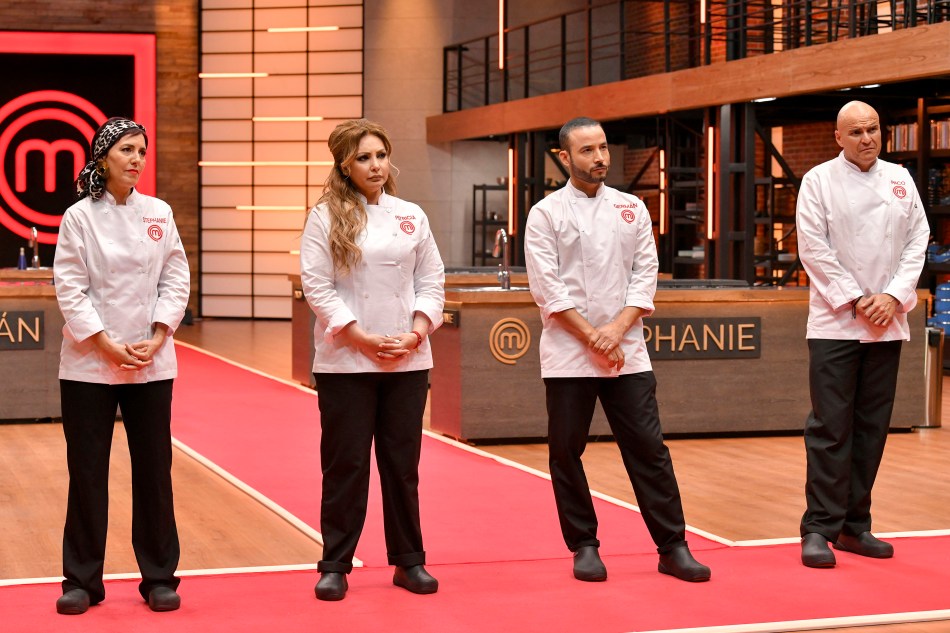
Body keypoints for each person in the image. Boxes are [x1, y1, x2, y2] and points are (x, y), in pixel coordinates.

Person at [524, 117, 710, 583]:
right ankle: (584, 545)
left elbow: (645, 275)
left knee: (648, 448)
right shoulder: (545, 213)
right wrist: (594, 337)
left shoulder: (632, 207)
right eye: (587, 150)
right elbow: (548, 289)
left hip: (627, 350)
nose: (600, 157)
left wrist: (617, 330)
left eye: (603, 148)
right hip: (569, 352)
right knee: (566, 451)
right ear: (564, 157)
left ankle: (673, 546)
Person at [300, 119, 445, 601]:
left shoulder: (411, 215)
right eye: (363, 158)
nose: (375, 165)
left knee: (402, 467)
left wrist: (417, 332)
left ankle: (409, 562)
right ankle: (335, 565)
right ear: (345, 165)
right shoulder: (324, 217)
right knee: (346, 466)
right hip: (346, 362)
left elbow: (431, 280)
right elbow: (317, 286)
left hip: (407, 360)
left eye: (381, 155)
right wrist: (359, 337)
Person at [53, 117, 190, 614]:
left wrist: (159, 333)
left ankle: (159, 577)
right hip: (90, 364)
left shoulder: (159, 212)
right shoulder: (79, 217)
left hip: (150, 362)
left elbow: (175, 277)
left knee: (154, 470)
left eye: (142, 151)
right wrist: (105, 343)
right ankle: (81, 580)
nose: (136, 159)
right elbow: (70, 285)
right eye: (127, 150)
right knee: (87, 472)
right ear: (103, 156)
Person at [796, 100, 929, 568]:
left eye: (873, 129)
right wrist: (856, 299)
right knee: (830, 428)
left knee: (872, 428)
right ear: (838, 137)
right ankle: (818, 528)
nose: (867, 138)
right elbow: (813, 248)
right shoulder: (818, 181)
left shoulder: (900, 178)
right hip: (836, 322)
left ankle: (854, 526)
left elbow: (917, 241)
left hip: (887, 322)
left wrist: (892, 296)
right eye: (856, 132)